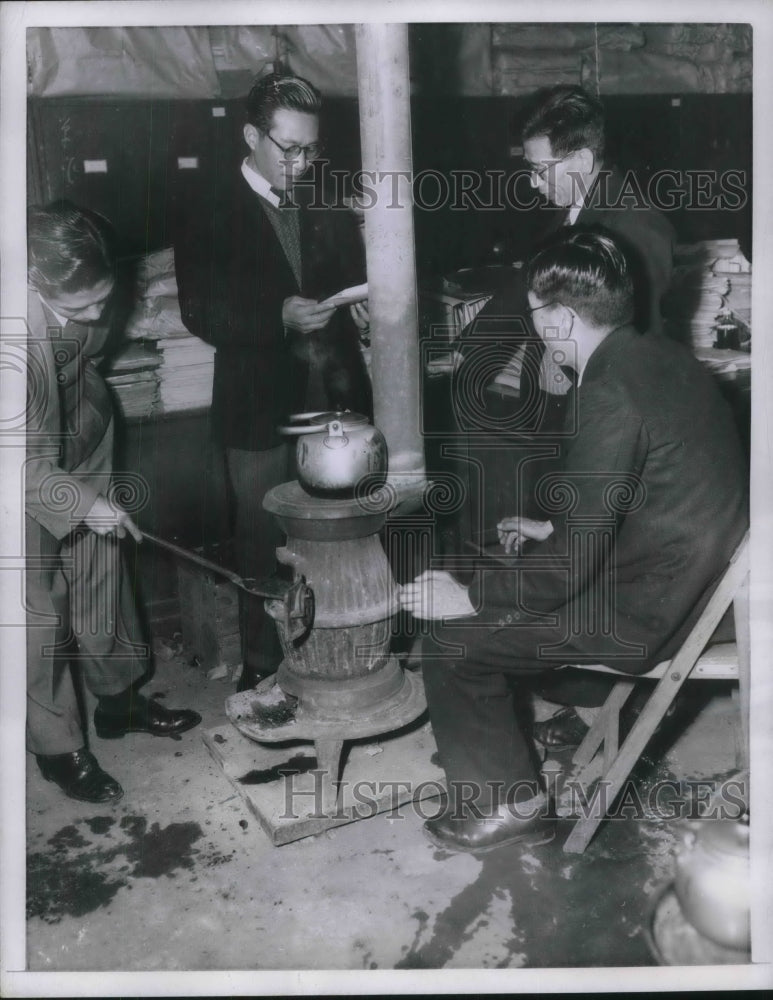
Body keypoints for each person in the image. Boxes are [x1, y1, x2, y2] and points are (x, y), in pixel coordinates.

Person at [400, 230, 747, 855]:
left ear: (560, 316)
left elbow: (562, 574)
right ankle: (499, 753)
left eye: (533, 314)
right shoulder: (661, 357)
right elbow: (656, 491)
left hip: (656, 612)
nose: (533, 328)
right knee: (512, 571)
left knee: (450, 639)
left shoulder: (606, 392)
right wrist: (555, 530)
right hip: (703, 583)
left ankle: (505, 809)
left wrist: (471, 596)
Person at [174, 72, 371, 686]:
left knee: (341, 536)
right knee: (261, 543)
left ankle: (338, 656)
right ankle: (262, 671)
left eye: (314, 149)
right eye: (291, 149)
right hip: (257, 403)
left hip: (334, 396)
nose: (304, 162)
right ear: (252, 136)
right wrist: (275, 315)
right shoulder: (207, 206)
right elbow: (199, 309)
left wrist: (364, 302)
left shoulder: (321, 193)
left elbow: (347, 272)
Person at [26, 201, 201, 805]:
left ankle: (120, 701)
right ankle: (57, 747)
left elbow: (90, 353)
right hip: (17, 467)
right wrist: (79, 503)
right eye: (81, 307)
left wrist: (89, 486)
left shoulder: (90, 290)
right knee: (36, 608)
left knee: (101, 576)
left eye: (104, 297)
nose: (100, 313)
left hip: (82, 433)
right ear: (31, 280)